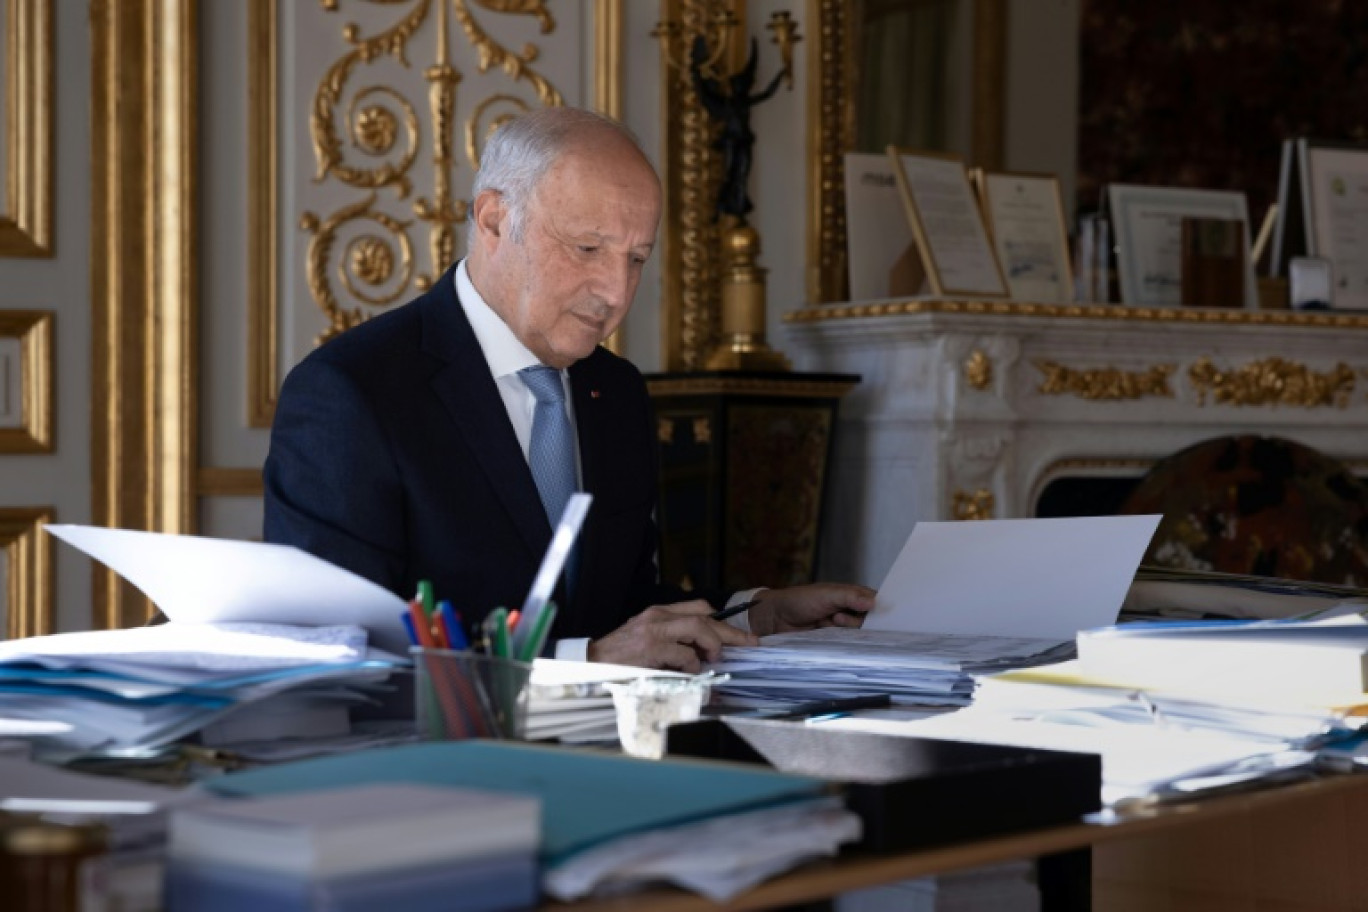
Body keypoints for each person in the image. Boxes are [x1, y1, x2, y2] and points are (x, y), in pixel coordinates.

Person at [264, 106, 874, 671]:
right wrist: (588, 664)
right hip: (441, 774)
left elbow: (623, 607)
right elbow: (343, 653)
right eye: (588, 248)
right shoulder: (350, 393)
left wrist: (757, 613)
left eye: (636, 259)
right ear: (496, 221)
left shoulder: (618, 392)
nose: (615, 291)